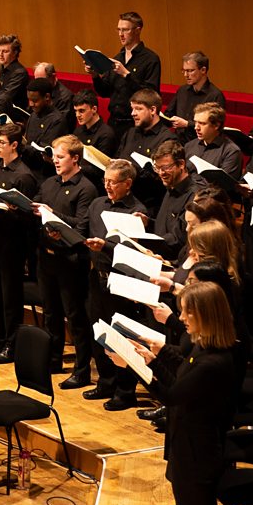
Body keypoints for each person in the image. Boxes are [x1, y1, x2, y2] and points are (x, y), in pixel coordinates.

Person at [109, 280, 243, 505]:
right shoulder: (205, 345)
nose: (181, 318)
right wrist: (153, 360)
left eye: (187, 312)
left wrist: (133, 365)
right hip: (187, 440)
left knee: (195, 503)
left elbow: (171, 396)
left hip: (197, 451)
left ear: (205, 314)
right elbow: (182, 379)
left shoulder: (213, 361)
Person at [82, 158, 147, 411]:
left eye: (113, 182)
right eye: (105, 181)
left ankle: (125, 390)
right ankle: (106, 382)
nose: (107, 186)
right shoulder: (97, 204)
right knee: (99, 331)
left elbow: (134, 251)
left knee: (122, 335)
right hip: (96, 277)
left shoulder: (137, 212)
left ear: (128, 183)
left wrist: (106, 247)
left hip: (121, 281)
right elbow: (83, 229)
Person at [35, 135, 99, 384]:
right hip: (47, 258)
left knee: (75, 316)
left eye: (60, 157)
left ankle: (81, 371)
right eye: (54, 156)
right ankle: (53, 360)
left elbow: (82, 226)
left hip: (71, 261)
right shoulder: (50, 182)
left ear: (75, 158)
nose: (55, 161)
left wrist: (54, 216)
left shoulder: (87, 188)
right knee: (51, 313)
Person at [0, 122, 37, 363]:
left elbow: (28, 218)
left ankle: (11, 343)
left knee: (10, 297)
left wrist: (7, 211)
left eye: (2, 143)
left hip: (13, 242)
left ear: (15, 145)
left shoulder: (24, 175)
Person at [89, 11, 161, 137]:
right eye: (119, 30)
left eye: (125, 30)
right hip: (114, 122)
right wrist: (95, 76)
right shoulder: (118, 58)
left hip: (135, 124)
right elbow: (104, 92)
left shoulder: (150, 59)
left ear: (137, 30)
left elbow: (152, 95)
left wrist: (127, 75)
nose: (120, 34)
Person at [165, 51, 224, 144]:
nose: (185, 75)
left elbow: (215, 127)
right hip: (178, 142)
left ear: (203, 70)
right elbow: (168, 113)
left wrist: (187, 124)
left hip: (200, 145)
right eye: (184, 70)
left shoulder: (215, 95)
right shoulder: (182, 90)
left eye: (190, 71)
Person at [183, 102, 242, 184]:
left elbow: (222, 186)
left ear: (216, 125)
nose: (196, 127)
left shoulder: (231, 152)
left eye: (202, 123)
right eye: (196, 122)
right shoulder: (189, 146)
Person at [0, 34, 29, 111]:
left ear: (15, 52)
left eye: (5, 51)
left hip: (13, 117)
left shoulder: (20, 73)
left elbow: (5, 97)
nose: (0, 55)